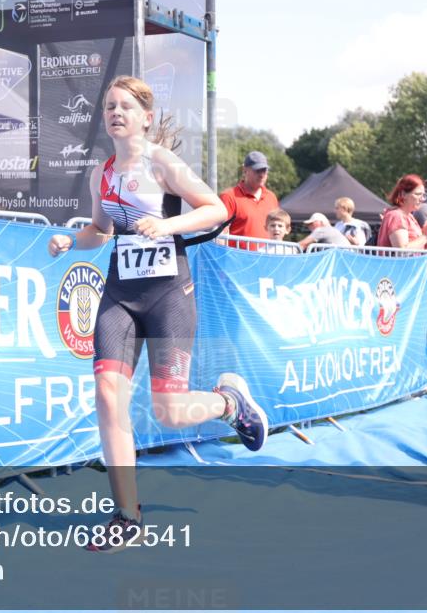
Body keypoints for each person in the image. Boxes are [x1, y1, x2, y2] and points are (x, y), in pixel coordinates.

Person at [46, 75, 269, 552]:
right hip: (121, 295)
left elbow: (214, 209)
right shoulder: (100, 173)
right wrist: (72, 239)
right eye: (109, 106)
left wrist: (166, 224)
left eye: (125, 105)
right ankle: (127, 515)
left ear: (145, 117)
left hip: (168, 294)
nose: (115, 112)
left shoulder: (162, 163)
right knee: (108, 394)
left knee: (169, 413)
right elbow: (100, 232)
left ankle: (229, 403)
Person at [219, 150, 279, 248]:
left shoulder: (271, 197)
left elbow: (278, 229)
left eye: (264, 170)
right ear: (245, 170)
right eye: (257, 170)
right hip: (239, 261)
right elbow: (221, 234)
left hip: (267, 260)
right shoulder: (228, 196)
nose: (262, 174)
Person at [376, 174, 427, 249]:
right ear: (403, 194)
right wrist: (426, 235)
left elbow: (424, 249)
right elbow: (402, 250)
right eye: (417, 194)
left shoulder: (410, 217)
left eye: (423, 195)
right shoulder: (396, 216)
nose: (422, 199)